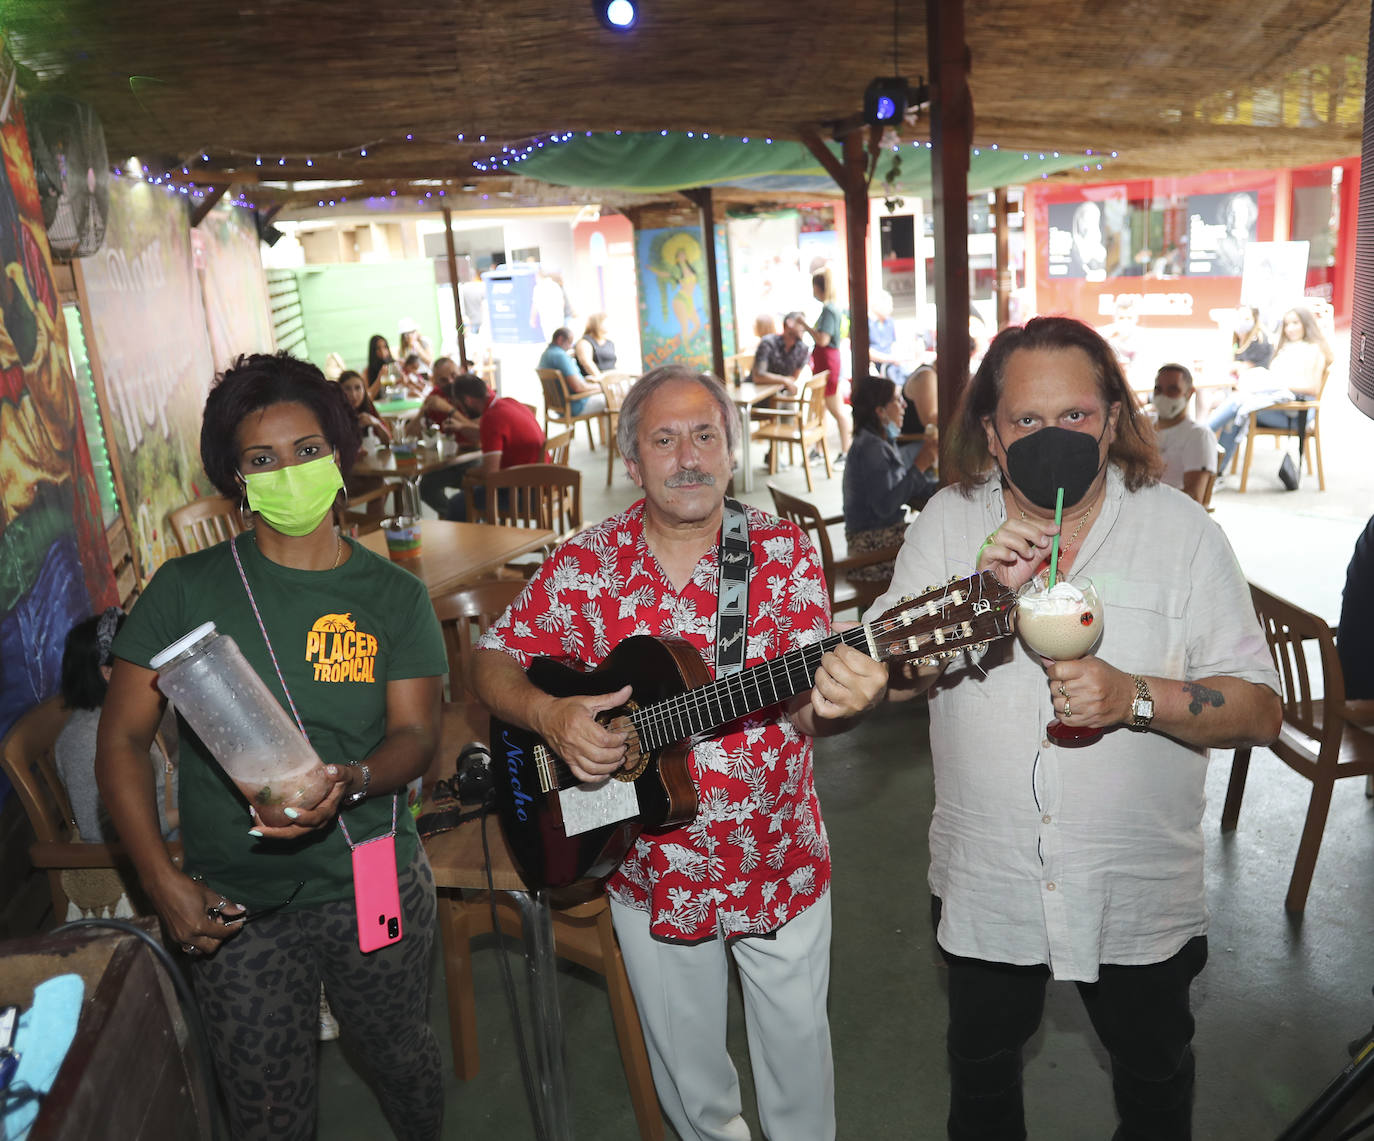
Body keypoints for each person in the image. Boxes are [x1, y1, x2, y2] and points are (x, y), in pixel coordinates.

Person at [872, 315, 1281, 1141]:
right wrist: (975, 601)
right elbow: (888, 668)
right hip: (990, 878)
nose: (1049, 436)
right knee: (982, 1078)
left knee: (1154, 1076)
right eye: (1025, 419)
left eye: (1076, 416)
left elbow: (1262, 709)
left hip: (1135, 887)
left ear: (1115, 418)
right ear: (990, 430)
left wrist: (1134, 695)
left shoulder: (1184, 534)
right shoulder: (950, 525)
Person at [471, 364, 888, 1141]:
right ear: (632, 463)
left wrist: (842, 704)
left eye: (705, 435)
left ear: (732, 452)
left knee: (800, 1079)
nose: (688, 456)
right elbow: (490, 658)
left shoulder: (782, 550)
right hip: (645, 863)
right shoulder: (585, 562)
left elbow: (803, 716)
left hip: (776, 853)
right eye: (664, 439)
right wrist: (550, 714)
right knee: (693, 1093)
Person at [96, 352, 447, 1141]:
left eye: (308, 449)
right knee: (264, 1105)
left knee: (400, 1057)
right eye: (262, 458)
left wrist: (353, 779)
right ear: (236, 477)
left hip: (369, 874)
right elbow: (120, 739)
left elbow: (417, 735)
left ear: (339, 455)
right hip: (233, 903)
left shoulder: (393, 596)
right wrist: (161, 879)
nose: (289, 471)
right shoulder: (185, 589)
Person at [57, 608, 177, 845]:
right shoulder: (83, 739)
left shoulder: (143, 702)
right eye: (143, 654)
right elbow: (98, 830)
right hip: (163, 841)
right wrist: (184, 815)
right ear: (108, 672)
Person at [1209, 306, 1331, 473]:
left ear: (1306, 324)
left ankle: (1203, 439)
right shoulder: (1285, 348)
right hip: (1275, 404)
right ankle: (1213, 470)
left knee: (1239, 404)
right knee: (1238, 405)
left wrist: (1278, 384)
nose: (1290, 328)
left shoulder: (1315, 349)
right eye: (1287, 324)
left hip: (1294, 413)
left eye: (1295, 323)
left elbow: (1313, 388)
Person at [842, 375, 937, 585]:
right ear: (880, 411)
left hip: (877, 537)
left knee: (934, 533)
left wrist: (944, 488)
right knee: (938, 541)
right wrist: (919, 466)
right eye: (896, 400)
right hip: (869, 548)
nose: (903, 405)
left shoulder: (881, 440)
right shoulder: (871, 448)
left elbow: (903, 487)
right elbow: (885, 506)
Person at [421, 371, 547, 521]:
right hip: (544, 482)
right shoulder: (509, 403)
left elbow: (490, 474)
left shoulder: (491, 419)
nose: (463, 410)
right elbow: (492, 435)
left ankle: (474, 542)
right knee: (470, 492)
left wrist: (469, 473)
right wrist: (461, 427)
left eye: (460, 405)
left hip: (524, 493)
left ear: (468, 400)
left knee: (458, 504)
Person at [799, 269, 851, 461]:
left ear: (818, 287)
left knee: (835, 408)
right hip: (826, 362)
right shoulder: (830, 308)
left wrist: (805, 326)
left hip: (828, 363)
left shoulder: (829, 310)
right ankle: (821, 451)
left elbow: (822, 339)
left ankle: (846, 451)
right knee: (823, 407)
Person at [1149, 363, 1218, 503]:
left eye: (1173, 389)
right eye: (1158, 389)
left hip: (1167, 515)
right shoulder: (1143, 425)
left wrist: (1146, 498)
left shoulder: (1198, 436)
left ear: (1189, 393)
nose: (1164, 395)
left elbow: (1194, 497)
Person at [538, 327, 607, 415]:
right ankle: (610, 429)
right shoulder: (560, 356)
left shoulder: (546, 355)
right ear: (560, 339)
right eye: (570, 342)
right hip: (574, 406)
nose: (571, 347)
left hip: (558, 407)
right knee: (611, 399)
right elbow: (578, 387)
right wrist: (601, 387)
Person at [750, 310, 809, 396]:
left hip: (780, 395)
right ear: (789, 323)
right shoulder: (768, 343)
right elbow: (758, 376)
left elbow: (792, 378)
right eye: (801, 323)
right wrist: (784, 380)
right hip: (758, 395)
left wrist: (786, 382)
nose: (804, 327)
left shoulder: (803, 349)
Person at [338, 369, 392, 446]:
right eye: (347, 388)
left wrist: (377, 423)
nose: (353, 394)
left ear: (364, 389)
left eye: (357, 388)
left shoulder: (368, 406)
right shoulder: (336, 414)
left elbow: (388, 442)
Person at [867, 289, 910, 384]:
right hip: (876, 365)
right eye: (888, 305)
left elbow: (893, 344)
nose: (891, 309)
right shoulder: (867, 324)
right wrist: (890, 359)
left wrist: (898, 357)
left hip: (892, 364)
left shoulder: (890, 322)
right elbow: (867, 352)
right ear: (877, 305)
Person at [574, 312, 618, 378]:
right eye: (606, 322)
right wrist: (602, 379)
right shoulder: (584, 342)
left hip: (612, 378)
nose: (609, 325)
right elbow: (586, 363)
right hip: (596, 380)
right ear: (597, 324)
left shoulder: (609, 343)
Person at [364, 333, 395, 401]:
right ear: (373, 352)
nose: (382, 351)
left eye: (385, 347)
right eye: (378, 348)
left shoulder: (395, 366)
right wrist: (380, 378)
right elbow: (367, 398)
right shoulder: (367, 371)